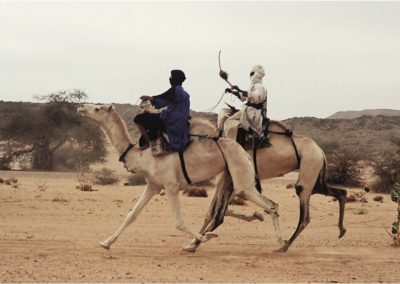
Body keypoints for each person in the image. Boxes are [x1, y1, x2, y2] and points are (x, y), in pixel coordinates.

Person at [134, 69, 190, 151]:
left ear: (175, 78)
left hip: (171, 123)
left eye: (171, 76)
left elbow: (163, 98)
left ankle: (149, 143)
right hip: (178, 122)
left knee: (138, 119)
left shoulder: (176, 90)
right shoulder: (184, 94)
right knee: (151, 118)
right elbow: (165, 100)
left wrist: (149, 98)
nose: (170, 78)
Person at [217, 65, 269, 145]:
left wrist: (239, 89)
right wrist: (233, 92)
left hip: (253, 113)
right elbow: (245, 97)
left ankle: (231, 144)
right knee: (227, 116)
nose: (250, 75)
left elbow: (256, 97)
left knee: (229, 121)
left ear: (256, 74)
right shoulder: (253, 86)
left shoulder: (260, 87)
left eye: (252, 73)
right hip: (248, 111)